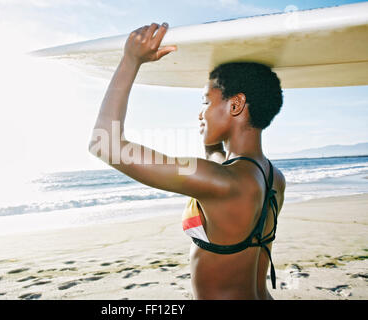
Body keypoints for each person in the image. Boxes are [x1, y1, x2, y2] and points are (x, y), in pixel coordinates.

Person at [88, 22, 286, 300]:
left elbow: (104, 145)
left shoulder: (220, 182)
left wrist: (131, 61)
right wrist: (213, 121)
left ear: (236, 105)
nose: (200, 113)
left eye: (205, 102)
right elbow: (217, 157)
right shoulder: (272, 177)